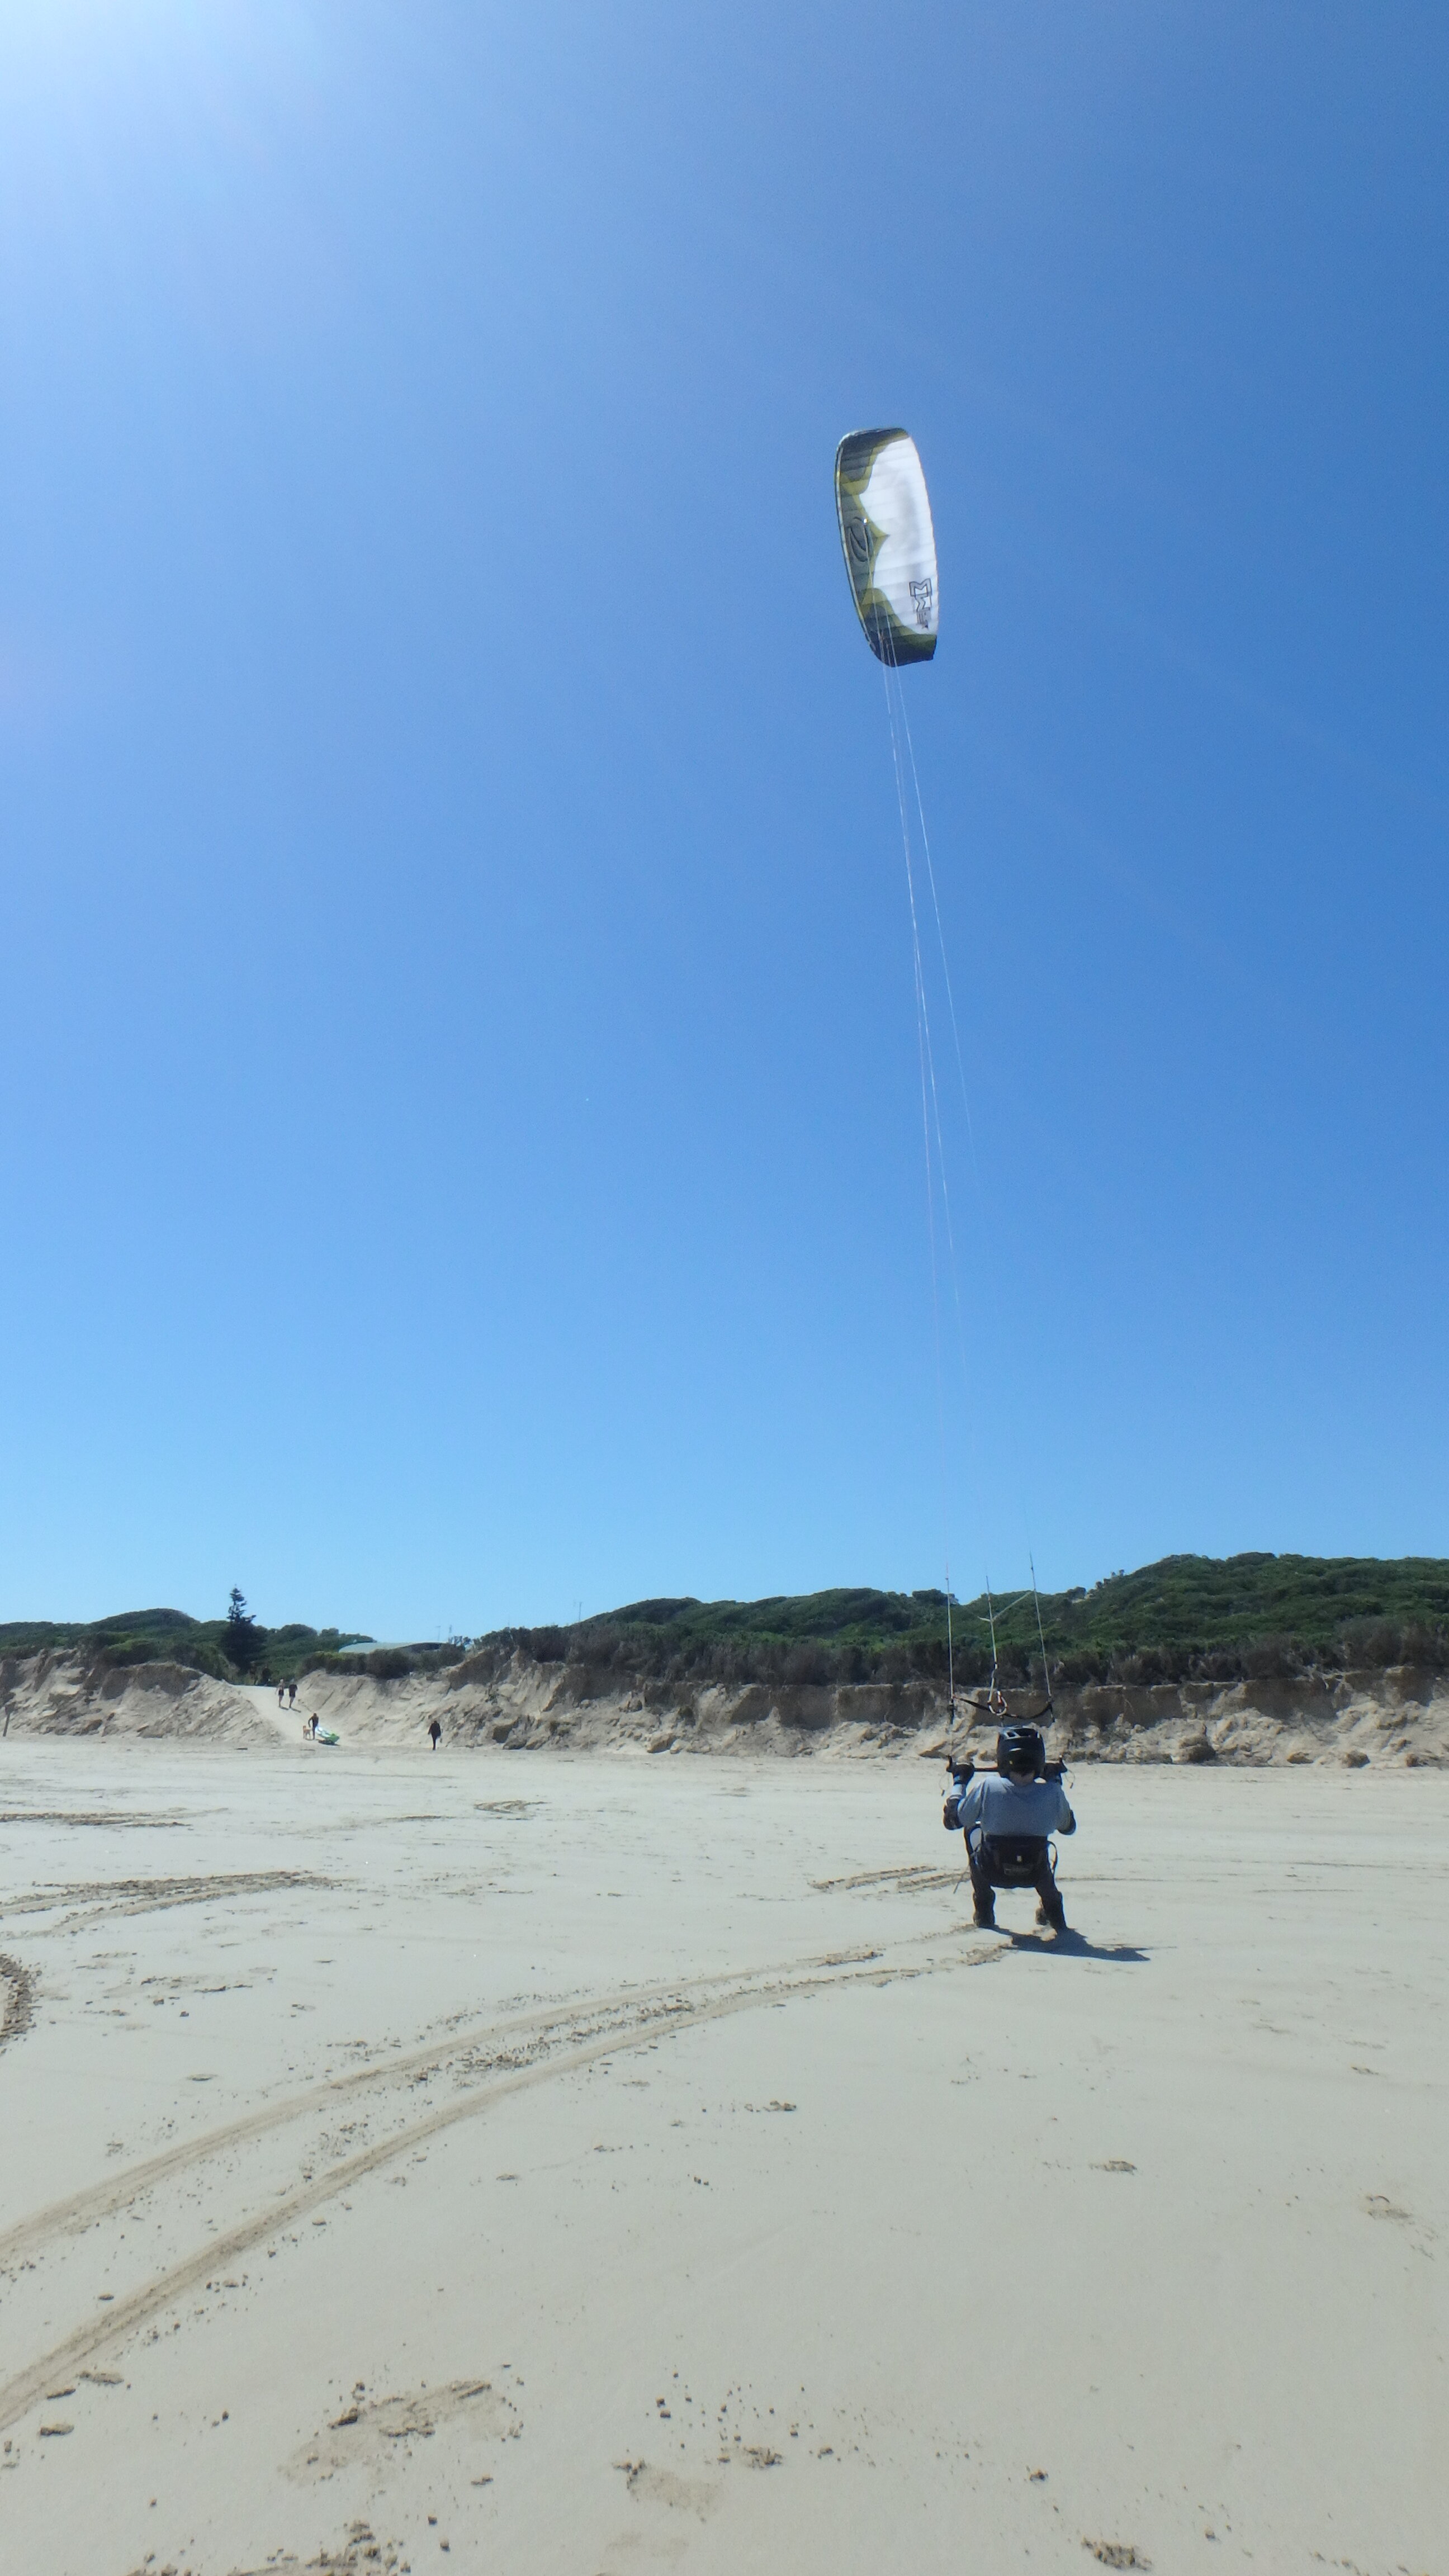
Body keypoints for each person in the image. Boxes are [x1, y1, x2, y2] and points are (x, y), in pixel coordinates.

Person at [946, 1721, 1075, 1934]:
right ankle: (1053, 1909)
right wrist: (1055, 1781)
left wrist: (960, 1781)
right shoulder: (1052, 1792)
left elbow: (954, 1820)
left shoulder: (988, 1786)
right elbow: (1068, 1827)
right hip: (1034, 1873)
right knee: (1040, 1851)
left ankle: (984, 1906)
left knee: (971, 1830)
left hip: (993, 1871)